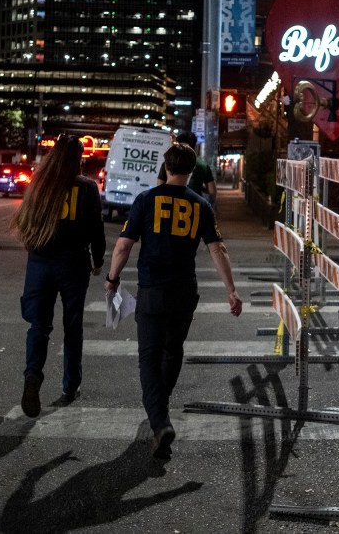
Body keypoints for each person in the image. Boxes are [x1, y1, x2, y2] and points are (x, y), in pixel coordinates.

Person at [105, 142, 242, 459]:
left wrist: (112, 279)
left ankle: (159, 420)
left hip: (153, 290)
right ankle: (160, 408)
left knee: (149, 358)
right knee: (173, 349)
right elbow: (217, 249)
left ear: (165, 167)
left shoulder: (145, 200)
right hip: (184, 291)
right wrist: (231, 290)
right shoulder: (200, 205)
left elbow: (123, 247)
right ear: (192, 170)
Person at [10, 135, 106, 418]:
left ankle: (32, 375)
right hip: (73, 264)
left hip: (40, 263)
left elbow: (27, 222)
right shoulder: (87, 188)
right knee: (72, 326)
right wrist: (98, 259)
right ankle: (70, 385)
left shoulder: (40, 184)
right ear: (78, 159)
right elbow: (96, 229)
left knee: (39, 326)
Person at [156, 131, 217, 207]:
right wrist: (199, 185)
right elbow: (212, 191)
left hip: (171, 205)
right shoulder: (203, 166)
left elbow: (159, 186)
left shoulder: (168, 162)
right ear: (194, 147)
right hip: (195, 206)